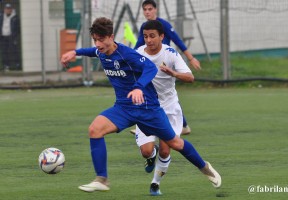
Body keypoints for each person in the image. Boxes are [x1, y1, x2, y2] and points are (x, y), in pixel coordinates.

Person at [60, 17, 221, 193]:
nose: (98, 44)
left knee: (175, 143)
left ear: (111, 37)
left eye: (101, 39)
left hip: (148, 109)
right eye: (95, 40)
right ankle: (102, 179)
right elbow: (92, 51)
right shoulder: (101, 51)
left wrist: (138, 88)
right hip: (123, 108)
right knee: (95, 130)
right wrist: (75, 52)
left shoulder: (127, 54)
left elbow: (151, 68)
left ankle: (204, 167)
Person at [134, 19, 196, 195]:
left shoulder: (171, 54)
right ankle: (150, 155)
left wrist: (173, 73)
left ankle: (155, 183)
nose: (149, 40)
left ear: (162, 36)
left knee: (166, 147)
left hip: (169, 108)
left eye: (152, 36)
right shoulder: (138, 53)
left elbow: (190, 77)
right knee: (146, 151)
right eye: (145, 36)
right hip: (147, 108)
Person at [131, 0, 199, 135]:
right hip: (150, 64)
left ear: (155, 10)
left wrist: (190, 58)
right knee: (150, 92)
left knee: (167, 95)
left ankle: (180, 125)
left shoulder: (164, 25)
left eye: (150, 9)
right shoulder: (144, 27)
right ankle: (145, 126)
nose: (147, 12)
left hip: (164, 64)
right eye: (145, 9)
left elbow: (177, 40)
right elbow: (139, 45)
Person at [0, 3, 21, 71]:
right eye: (6, 9)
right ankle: (6, 66)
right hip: (3, 36)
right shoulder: (1, 16)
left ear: (11, 9)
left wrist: (15, 36)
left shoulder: (15, 17)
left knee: (14, 51)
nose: (8, 10)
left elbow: (18, 28)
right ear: (4, 9)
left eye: (9, 9)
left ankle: (17, 65)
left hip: (11, 37)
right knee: (4, 51)